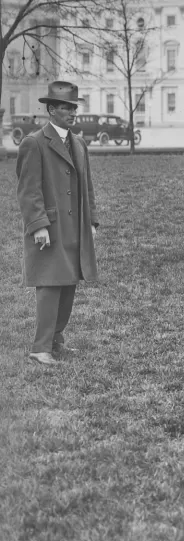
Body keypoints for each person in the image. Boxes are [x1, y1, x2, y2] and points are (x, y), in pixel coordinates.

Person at [16, 81, 99, 366]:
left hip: (74, 226)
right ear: (51, 110)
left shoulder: (78, 143)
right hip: (50, 227)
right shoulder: (34, 142)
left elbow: (86, 186)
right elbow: (29, 189)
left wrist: (92, 222)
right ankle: (40, 347)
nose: (72, 112)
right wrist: (38, 224)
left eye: (74, 106)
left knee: (69, 282)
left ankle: (56, 340)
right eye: (65, 107)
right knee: (50, 284)